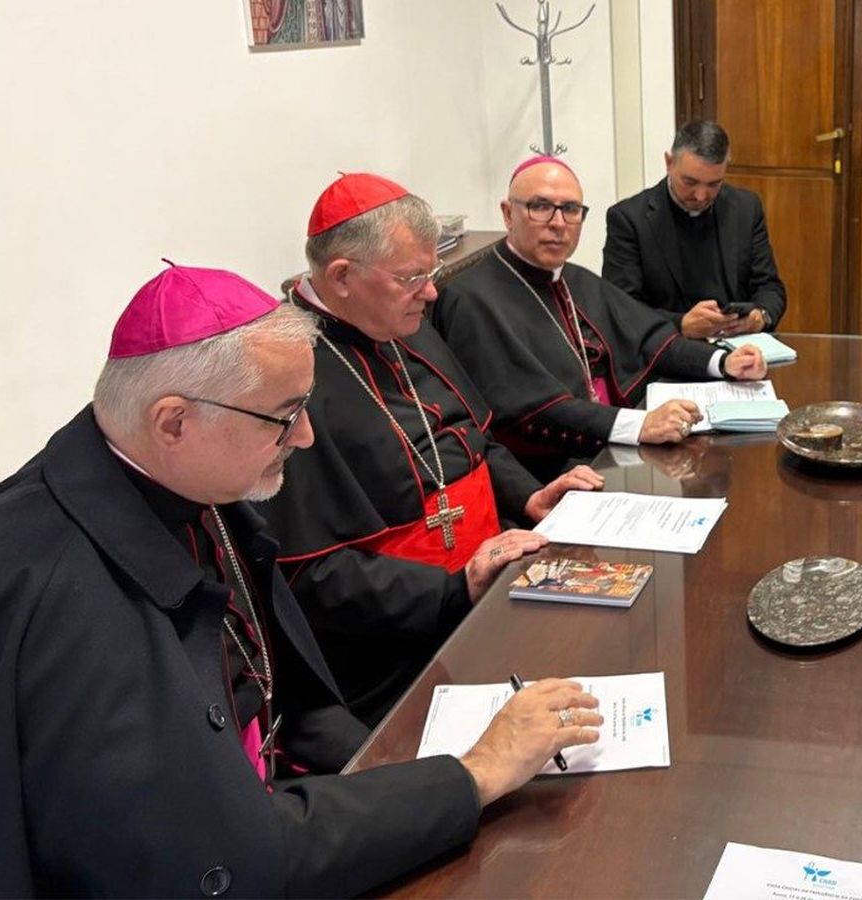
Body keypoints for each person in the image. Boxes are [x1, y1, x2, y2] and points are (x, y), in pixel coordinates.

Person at [0, 263, 602, 896]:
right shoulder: (61, 594)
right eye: (284, 416)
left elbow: (290, 705)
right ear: (173, 421)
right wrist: (472, 774)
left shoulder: (190, 481)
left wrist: (400, 768)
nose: (308, 437)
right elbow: (223, 860)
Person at [257, 173, 603, 725]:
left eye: (432, 272)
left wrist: (531, 497)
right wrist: (452, 590)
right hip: (394, 656)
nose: (433, 291)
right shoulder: (287, 374)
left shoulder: (403, 318)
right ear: (343, 276)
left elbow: (475, 439)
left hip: (491, 589)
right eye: (413, 276)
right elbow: (313, 577)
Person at [433, 155, 768, 477]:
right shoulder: (471, 299)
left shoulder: (574, 278)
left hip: (612, 447)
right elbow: (528, 411)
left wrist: (723, 362)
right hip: (550, 466)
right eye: (540, 207)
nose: (558, 224)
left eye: (571, 210)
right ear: (508, 214)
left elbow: (650, 339)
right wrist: (639, 424)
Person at [603, 119, 787, 338]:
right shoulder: (629, 219)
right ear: (669, 162)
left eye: (714, 184)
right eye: (690, 182)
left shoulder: (746, 209)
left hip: (738, 347)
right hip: (668, 350)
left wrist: (759, 316)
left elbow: (770, 287)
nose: (701, 196)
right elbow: (621, 309)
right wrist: (680, 325)